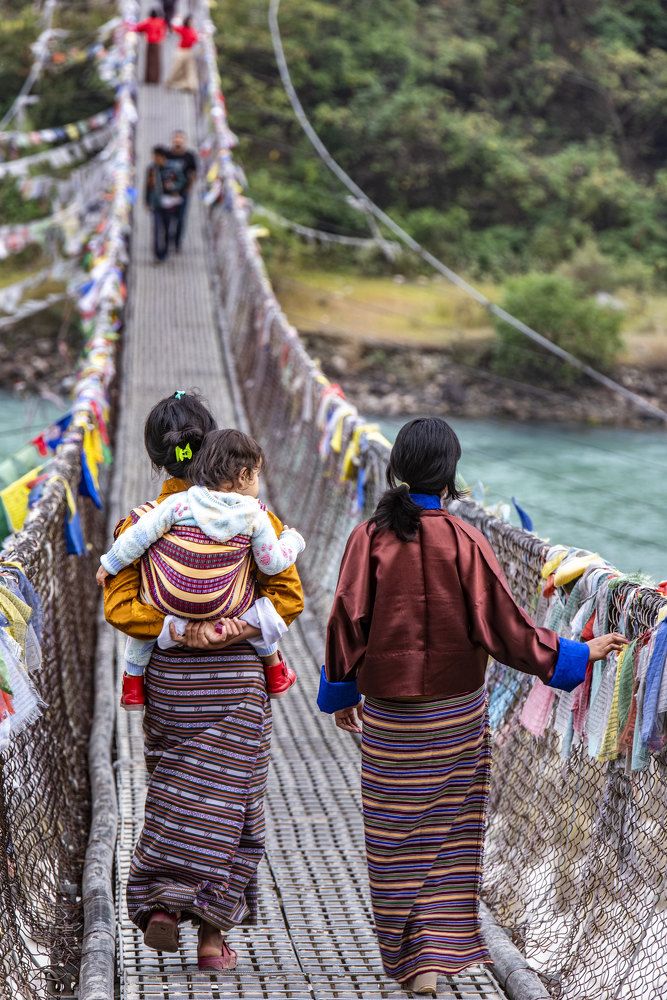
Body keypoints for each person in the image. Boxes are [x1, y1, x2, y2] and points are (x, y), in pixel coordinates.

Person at [318, 416, 627, 997]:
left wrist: (342, 692)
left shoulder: (369, 539)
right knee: (448, 831)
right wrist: (578, 653)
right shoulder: (466, 542)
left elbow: (344, 620)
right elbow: (508, 630)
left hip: (388, 717)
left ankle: (413, 960)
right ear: (451, 473)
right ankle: (434, 955)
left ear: (398, 468)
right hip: (456, 718)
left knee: (392, 833)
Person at [102, 390, 304, 970]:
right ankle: (214, 940)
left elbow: (119, 606)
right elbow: (288, 596)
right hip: (237, 681)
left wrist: (175, 630)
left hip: (170, 682)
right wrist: (234, 629)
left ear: (156, 455)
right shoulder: (254, 518)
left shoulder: (139, 523)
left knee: (173, 791)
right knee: (235, 805)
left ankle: (164, 903)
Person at [97, 427, 304, 708]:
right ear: (243, 475)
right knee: (260, 609)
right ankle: (276, 671)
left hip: (167, 692)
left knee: (143, 613)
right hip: (238, 674)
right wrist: (293, 541)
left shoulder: (170, 507)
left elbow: (123, 598)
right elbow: (277, 574)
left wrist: (110, 563)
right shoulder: (258, 515)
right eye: (256, 475)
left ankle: (132, 686)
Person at [144, 145, 187, 262]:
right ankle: (158, 254)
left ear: (162, 157)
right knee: (157, 229)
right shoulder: (151, 169)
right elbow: (147, 186)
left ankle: (166, 250)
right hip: (157, 203)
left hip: (170, 204)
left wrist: (174, 187)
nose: (154, 159)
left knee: (168, 228)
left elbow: (182, 181)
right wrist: (146, 201)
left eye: (156, 157)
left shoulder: (174, 168)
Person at [165, 130, 197, 252]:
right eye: (176, 138)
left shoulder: (189, 156)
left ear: (184, 141)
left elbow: (193, 173)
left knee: (181, 218)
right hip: (167, 193)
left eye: (180, 138)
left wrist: (189, 188)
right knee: (167, 218)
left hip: (182, 192)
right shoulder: (167, 155)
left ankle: (177, 242)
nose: (178, 141)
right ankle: (167, 241)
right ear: (172, 140)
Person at [166, 15, 199, 93]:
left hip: (188, 51)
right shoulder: (183, 29)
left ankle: (190, 85)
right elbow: (173, 28)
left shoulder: (192, 30)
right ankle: (171, 82)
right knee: (177, 68)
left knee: (189, 69)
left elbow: (195, 39)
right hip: (181, 51)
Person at [134, 9, 167, 85]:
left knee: (149, 61)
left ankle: (149, 78)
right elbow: (163, 30)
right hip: (158, 43)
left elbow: (138, 28)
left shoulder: (148, 22)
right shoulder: (160, 21)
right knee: (157, 61)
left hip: (150, 42)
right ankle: (156, 79)